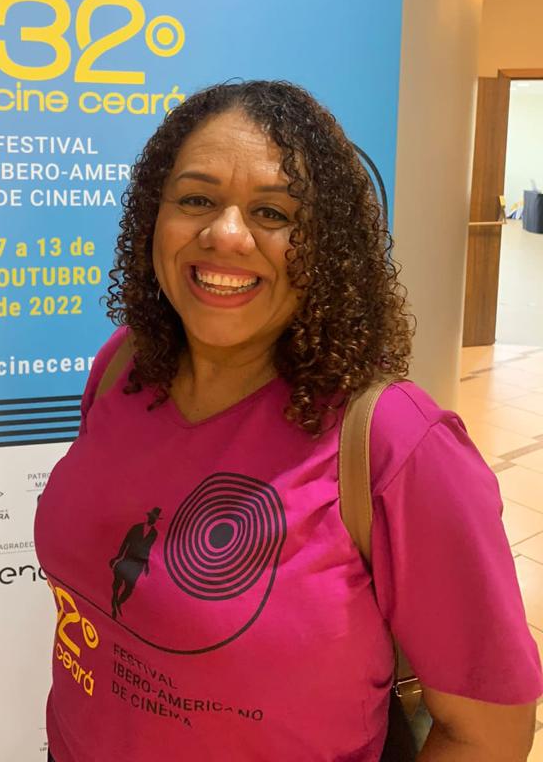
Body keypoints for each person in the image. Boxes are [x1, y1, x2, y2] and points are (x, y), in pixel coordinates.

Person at [35, 80, 542, 762]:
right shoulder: (122, 366)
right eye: (196, 200)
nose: (225, 234)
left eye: (273, 212)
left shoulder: (394, 444)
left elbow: (489, 733)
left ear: (327, 247)